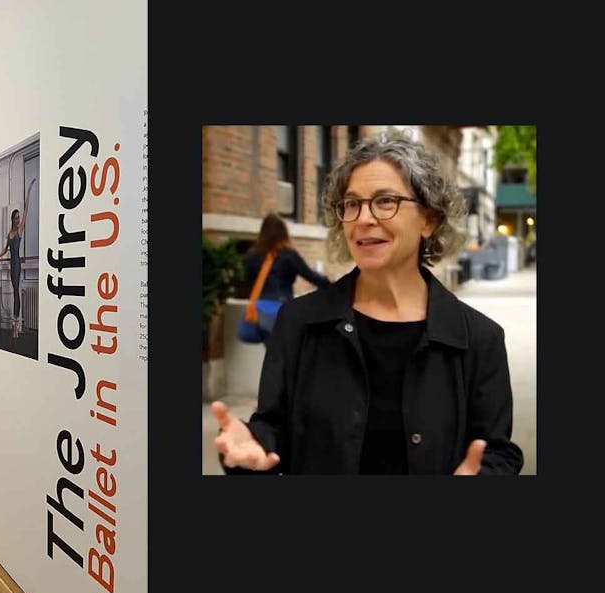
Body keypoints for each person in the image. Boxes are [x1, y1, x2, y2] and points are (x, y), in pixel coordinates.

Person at [211, 130, 523, 475]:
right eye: (352, 204)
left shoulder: (479, 339)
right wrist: (251, 447)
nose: (363, 218)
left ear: (429, 219)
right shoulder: (299, 322)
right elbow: (272, 429)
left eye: (385, 201)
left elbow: (498, 453)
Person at [241, 213, 330, 342]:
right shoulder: (289, 255)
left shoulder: (251, 256)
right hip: (280, 309)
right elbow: (311, 276)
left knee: (274, 350)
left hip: (259, 310)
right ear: (283, 233)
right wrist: (333, 286)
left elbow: (247, 280)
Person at [0, 178, 36, 337]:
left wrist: (29, 191)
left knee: (16, 292)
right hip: (12, 265)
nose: (19, 219)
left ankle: (15, 322)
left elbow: (26, 210)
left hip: (17, 264)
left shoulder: (19, 231)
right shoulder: (9, 233)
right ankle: (14, 323)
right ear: (12, 219)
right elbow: (5, 249)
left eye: (19, 217)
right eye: (16, 218)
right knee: (14, 291)